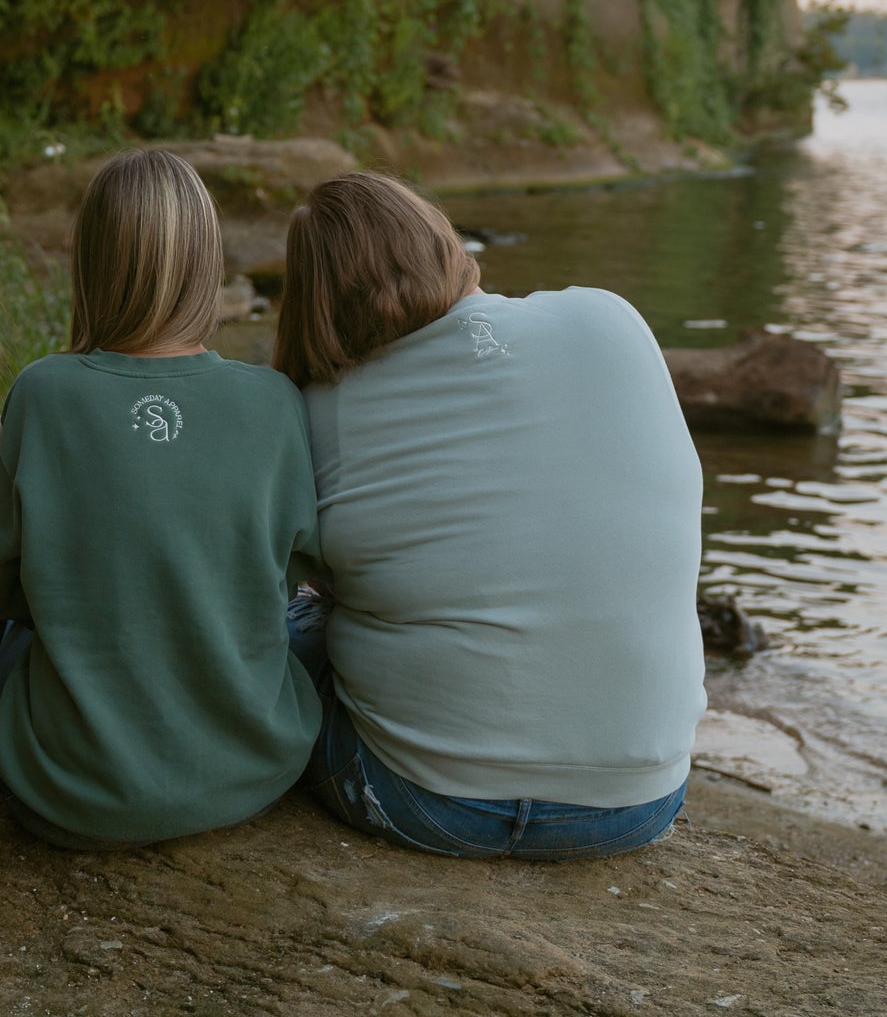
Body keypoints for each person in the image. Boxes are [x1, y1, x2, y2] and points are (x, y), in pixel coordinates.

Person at [275, 171, 705, 863]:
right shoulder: (610, 317)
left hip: (426, 801)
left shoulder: (320, 410)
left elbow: (306, 578)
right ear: (441, 242)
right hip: (637, 802)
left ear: (313, 304)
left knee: (286, 628)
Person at [0, 146, 321, 847]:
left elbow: (16, 590)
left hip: (68, 790)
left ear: (92, 264)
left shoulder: (43, 392)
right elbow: (293, 572)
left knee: (22, 629)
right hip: (251, 774)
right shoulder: (274, 398)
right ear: (207, 264)